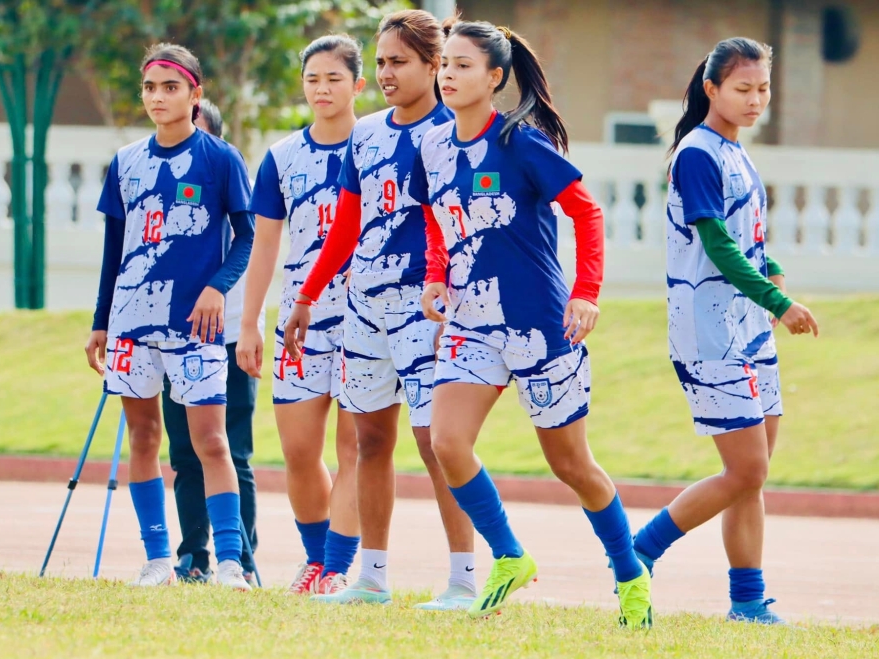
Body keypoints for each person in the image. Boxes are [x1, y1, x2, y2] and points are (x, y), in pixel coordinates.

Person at [410, 19, 653, 626]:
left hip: (539, 325)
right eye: (446, 65)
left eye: (464, 66)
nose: (449, 75)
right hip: (469, 324)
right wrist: (436, 275)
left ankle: (630, 574)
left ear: (495, 78)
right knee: (446, 443)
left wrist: (587, 292)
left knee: (571, 465)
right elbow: (439, 218)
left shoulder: (521, 141)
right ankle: (510, 556)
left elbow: (587, 213)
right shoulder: (433, 145)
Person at [282, 10, 477, 610]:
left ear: (433, 65)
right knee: (370, 439)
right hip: (364, 305)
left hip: (428, 307)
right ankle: (371, 577)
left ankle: (465, 580)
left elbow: (463, 221)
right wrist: (309, 296)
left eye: (399, 62)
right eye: (383, 62)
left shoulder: (456, 132)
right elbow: (345, 223)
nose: (387, 73)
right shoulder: (364, 133)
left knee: (434, 442)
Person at [631, 37, 819, 625]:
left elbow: (748, 238)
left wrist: (772, 270)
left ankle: (747, 603)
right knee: (746, 470)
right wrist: (778, 299)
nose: (755, 100)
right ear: (711, 88)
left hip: (748, 328)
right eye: (743, 89)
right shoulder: (697, 153)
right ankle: (637, 552)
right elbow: (715, 244)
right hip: (708, 332)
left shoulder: (737, 151)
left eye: (763, 89)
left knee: (750, 477)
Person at [83, 43, 255, 589]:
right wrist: (101, 322)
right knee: (144, 439)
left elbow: (247, 237)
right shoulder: (125, 162)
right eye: (151, 88)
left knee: (210, 442)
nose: (158, 98)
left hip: (195, 328)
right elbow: (115, 250)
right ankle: (158, 559)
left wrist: (216, 289)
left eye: (171, 88)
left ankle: (229, 562)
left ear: (195, 95)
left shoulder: (220, 159)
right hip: (132, 324)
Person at [236, 35, 366, 595]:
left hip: (367, 319)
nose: (322, 89)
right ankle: (315, 559)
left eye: (334, 78)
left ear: (358, 85)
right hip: (300, 322)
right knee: (297, 451)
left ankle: (336, 568)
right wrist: (252, 322)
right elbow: (264, 246)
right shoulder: (282, 157)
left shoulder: (380, 144)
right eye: (313, 79)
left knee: (354, 448)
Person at [161, 97, 265, 585]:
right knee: (183, 452)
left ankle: (239, 557)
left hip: (228, 337)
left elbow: (251, 250)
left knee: (230, 451)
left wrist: (248, 330)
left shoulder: (229, 174)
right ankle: (192, 554)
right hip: (177, 337)